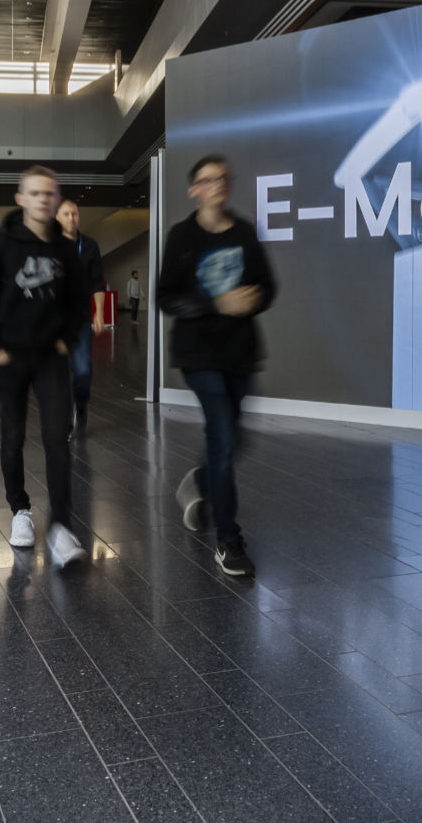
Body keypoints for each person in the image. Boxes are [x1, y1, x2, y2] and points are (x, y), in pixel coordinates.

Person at [158, 154, 276, 578]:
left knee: (234, 440)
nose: (217, 185)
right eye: (207, 180)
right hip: (198, 355)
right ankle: (228, 540)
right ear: (195, 189)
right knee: (223, 438)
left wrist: (254, 298)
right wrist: (216, 303)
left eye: (223, 178)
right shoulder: (182, 236)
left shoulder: (244, 232)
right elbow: (165, 296)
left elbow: (268, 286)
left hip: (240, 352)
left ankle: (201, 481)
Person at [0, 166, 91, 567]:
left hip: (50, 359)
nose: (43, 199)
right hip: (12, 359)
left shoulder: (64, 248)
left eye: (49, 193)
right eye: (34, 193)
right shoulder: (2, 246)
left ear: (56, 200)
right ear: (20, 199)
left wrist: (66, 340)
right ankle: (20, 511)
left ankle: (61, 528)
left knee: (58, 438)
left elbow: (78, 302)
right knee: (14, 435)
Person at [56, 199, 107, 435]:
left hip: (82, 318)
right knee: (59, 373)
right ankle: (65, 422)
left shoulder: (90, 246)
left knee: (83, 370)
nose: (70, 218)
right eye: (65, 214)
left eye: (74, 214)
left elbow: (98, 282)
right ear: (57, 217)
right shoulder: (49, 245)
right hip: (54, 321)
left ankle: (81, 406)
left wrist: (99, 313)